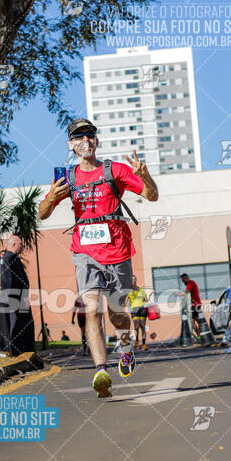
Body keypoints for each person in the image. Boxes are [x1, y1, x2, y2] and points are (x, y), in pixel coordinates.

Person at [38, 117, 158, 398]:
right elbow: (42, 213)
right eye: (78, 137)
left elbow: (152, 196)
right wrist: (52, 198)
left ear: (96, 140)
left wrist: (145, 175)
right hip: (84, 253)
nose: (85, 141)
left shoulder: (115, 170)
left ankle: (126, 348)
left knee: (117, 315)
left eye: (89, 135)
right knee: (90, 309)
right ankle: (101, 370)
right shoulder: (66, 177)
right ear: (71, 145)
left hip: (118, 252)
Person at [0, 235, 35, 356]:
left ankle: (27, 351)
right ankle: (17, 352)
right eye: (21, 244)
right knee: (17, 326)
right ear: (14, 244)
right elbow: (8, 280)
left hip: (21, 298)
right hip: (15, 299)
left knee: (26, 325)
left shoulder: (14, 258)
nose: (23, 247)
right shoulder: (8, 259)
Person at [177, 274, 202, 338]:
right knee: (192, 322)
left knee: (198, 321)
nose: (182, 282)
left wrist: (178, 294)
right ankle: (199, 336)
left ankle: (203, 335)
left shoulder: (191, 283)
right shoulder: (189, 284)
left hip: (196, 304)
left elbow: (186, 292)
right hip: (192, 306)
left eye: (183, 280)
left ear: (186, 278)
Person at [127, 275, 148, 350]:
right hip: (134, 310)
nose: (134, 281)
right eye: (133, 280)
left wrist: (146, 300)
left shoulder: (141, 290)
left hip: (142, 309)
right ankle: (136, 342)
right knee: (136, 326)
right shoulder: (129, 291)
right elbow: (126, 301)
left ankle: (144, 344)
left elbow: (146, 300)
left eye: (135, 279)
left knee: (142, 326)